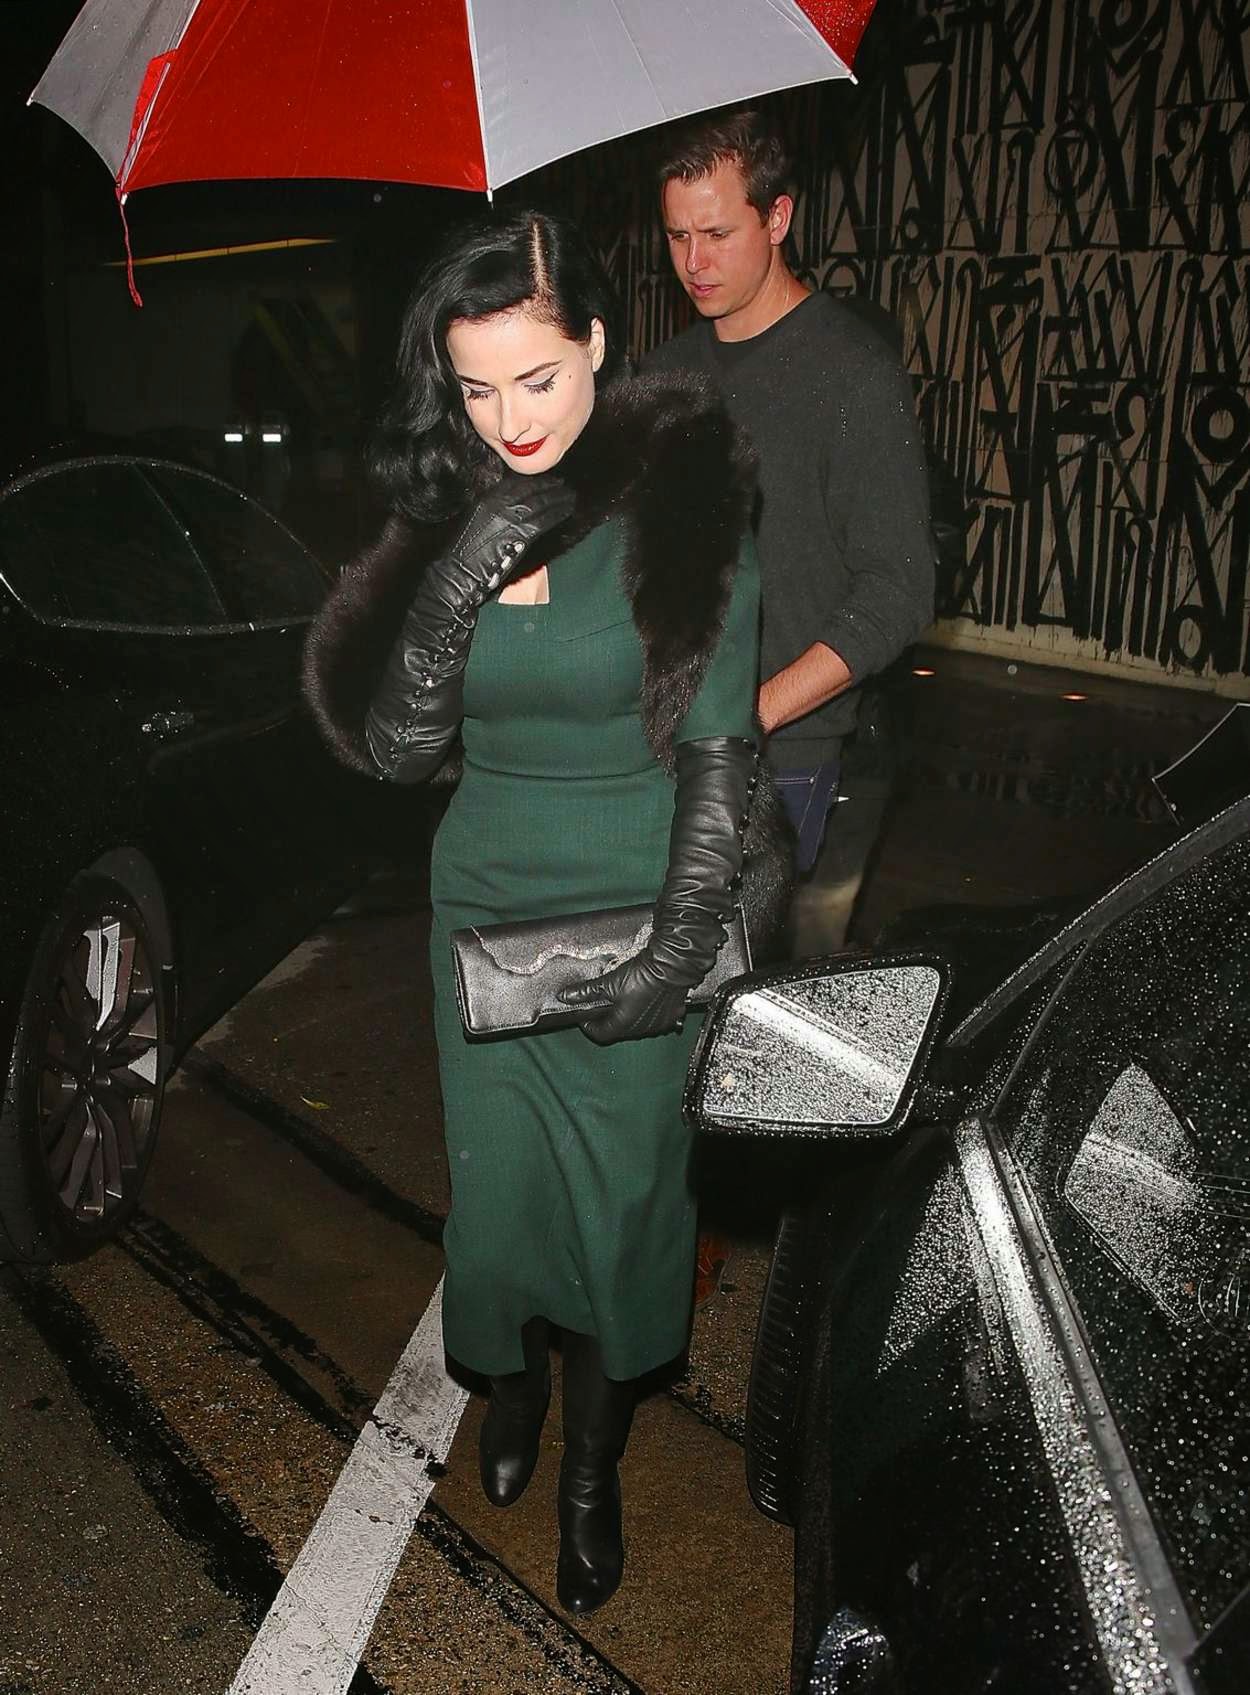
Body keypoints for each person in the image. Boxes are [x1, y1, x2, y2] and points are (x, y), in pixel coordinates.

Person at [302, 210, 785, 1616]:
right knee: (501, 1209)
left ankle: (588, 1467)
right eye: (475, 388)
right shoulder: (447, 516)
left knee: (622, 1215)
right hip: (482, 903)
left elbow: (716, 753)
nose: (510, 418)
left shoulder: (684, 511)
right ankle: (508, 1388)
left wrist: (676, 956)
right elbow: (396, 754)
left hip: (641, 897)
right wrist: (458, 575)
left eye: (539, 376)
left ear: (595, 344)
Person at [647, 106, 935, 879]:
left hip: (781, 756)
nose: (694, 261)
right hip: (656, 747)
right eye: (677, 236)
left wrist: (753, 714)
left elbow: (899, 590)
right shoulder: (665, 374)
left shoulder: (853, 375)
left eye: (717, 234)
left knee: (730, 960)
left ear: (778, 218)